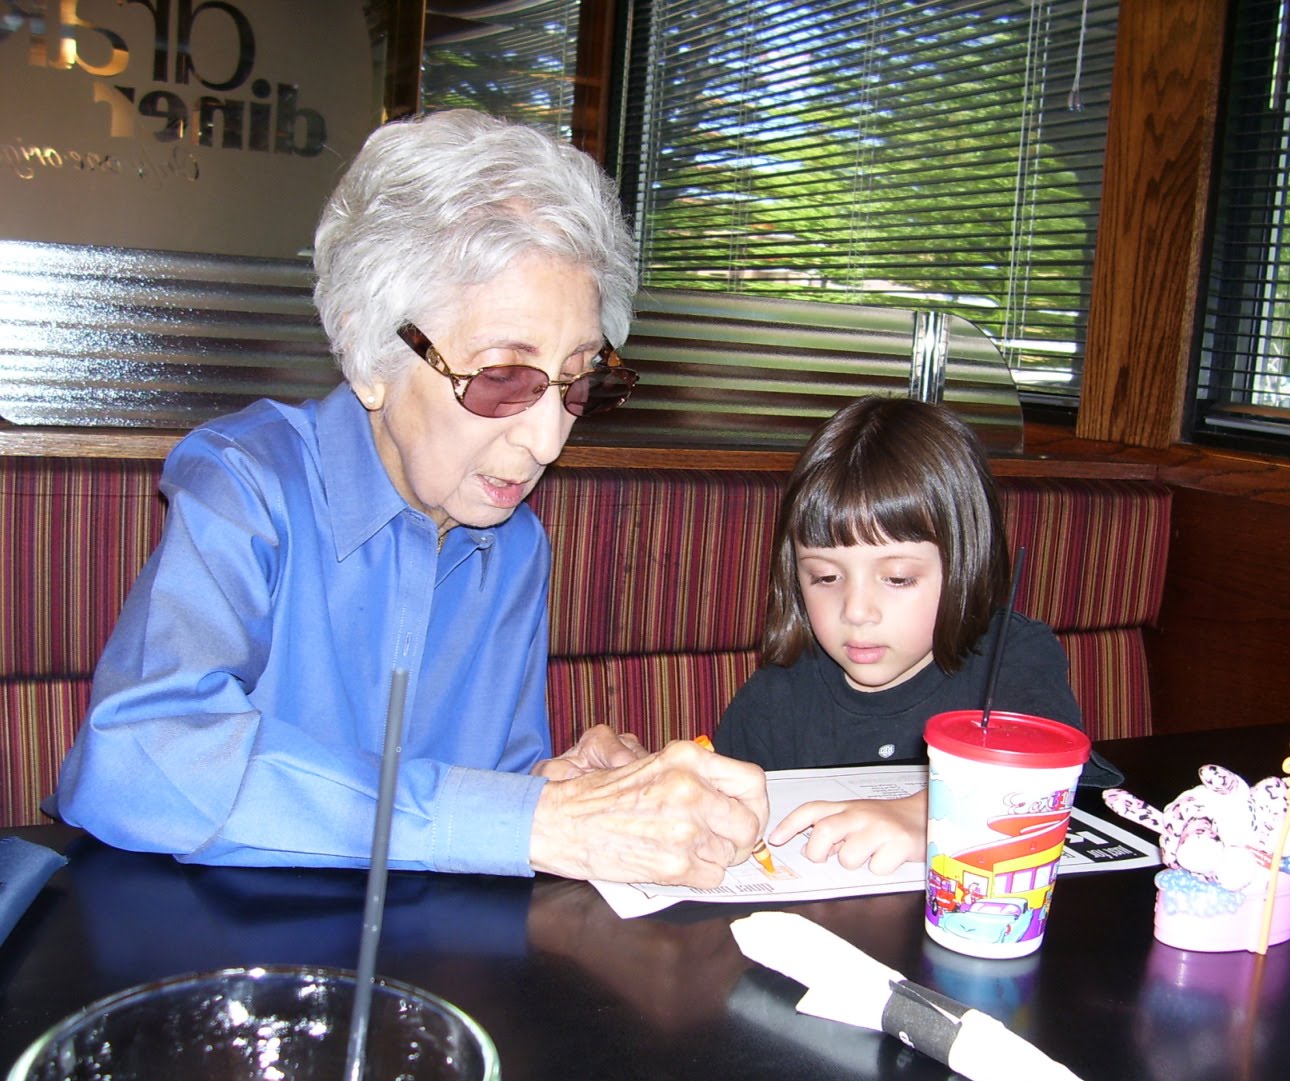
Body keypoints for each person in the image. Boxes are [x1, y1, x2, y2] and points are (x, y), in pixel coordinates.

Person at [54, 109, 766, 887]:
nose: (547, 441)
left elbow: (473, 801)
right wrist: (533, 820)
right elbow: (136, 758)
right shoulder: (248, 485)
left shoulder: (513, 543)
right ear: (371, 355)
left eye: (577, 380)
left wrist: (560, 787)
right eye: (502, 376)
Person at [711, 395, 1119, 874]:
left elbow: (1049, 776)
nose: (856, 611)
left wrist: (928, 814)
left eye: (898, 578)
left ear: (966, 565)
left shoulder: (1010, 655)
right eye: (825, 576)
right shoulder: (776, 693)